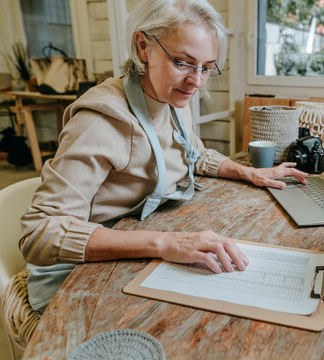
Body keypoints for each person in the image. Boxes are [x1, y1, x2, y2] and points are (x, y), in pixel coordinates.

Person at [19, 0, 308, 314]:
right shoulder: (101, 121)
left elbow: (193, 154)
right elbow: (39, 232)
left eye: (207, 67)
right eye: (183, 62)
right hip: (78, 276)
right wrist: (165, 243)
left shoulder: (168, 100)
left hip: (137, 244)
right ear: (144, 46)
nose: (196, 81)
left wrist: (249, 173)